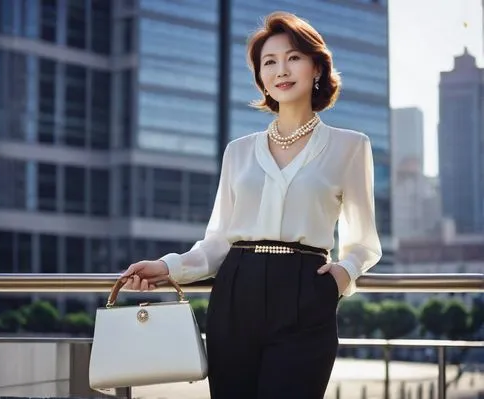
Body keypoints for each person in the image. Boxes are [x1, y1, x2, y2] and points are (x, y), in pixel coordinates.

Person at [121, 11, 382, 399]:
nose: (281, 69)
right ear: (260, 77)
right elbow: (218, 242)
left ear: (316, 68)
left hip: (307, 292)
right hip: (235, 294)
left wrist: (343, 274)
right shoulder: (238, 152)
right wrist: (168, 266)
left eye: (293, 57)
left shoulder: (351, 146)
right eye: (269, 62)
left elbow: (363, 242)